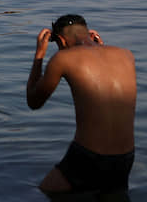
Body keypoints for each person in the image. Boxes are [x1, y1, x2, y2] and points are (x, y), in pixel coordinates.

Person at [26, 14, 137, 195]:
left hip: (89, 157)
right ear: (90, 34)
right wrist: (99, 48)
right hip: (125, 159)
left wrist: (39, 55)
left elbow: (33, 101)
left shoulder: (63, 58)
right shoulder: (126, 55)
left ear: (61, 40)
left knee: (41, 192)